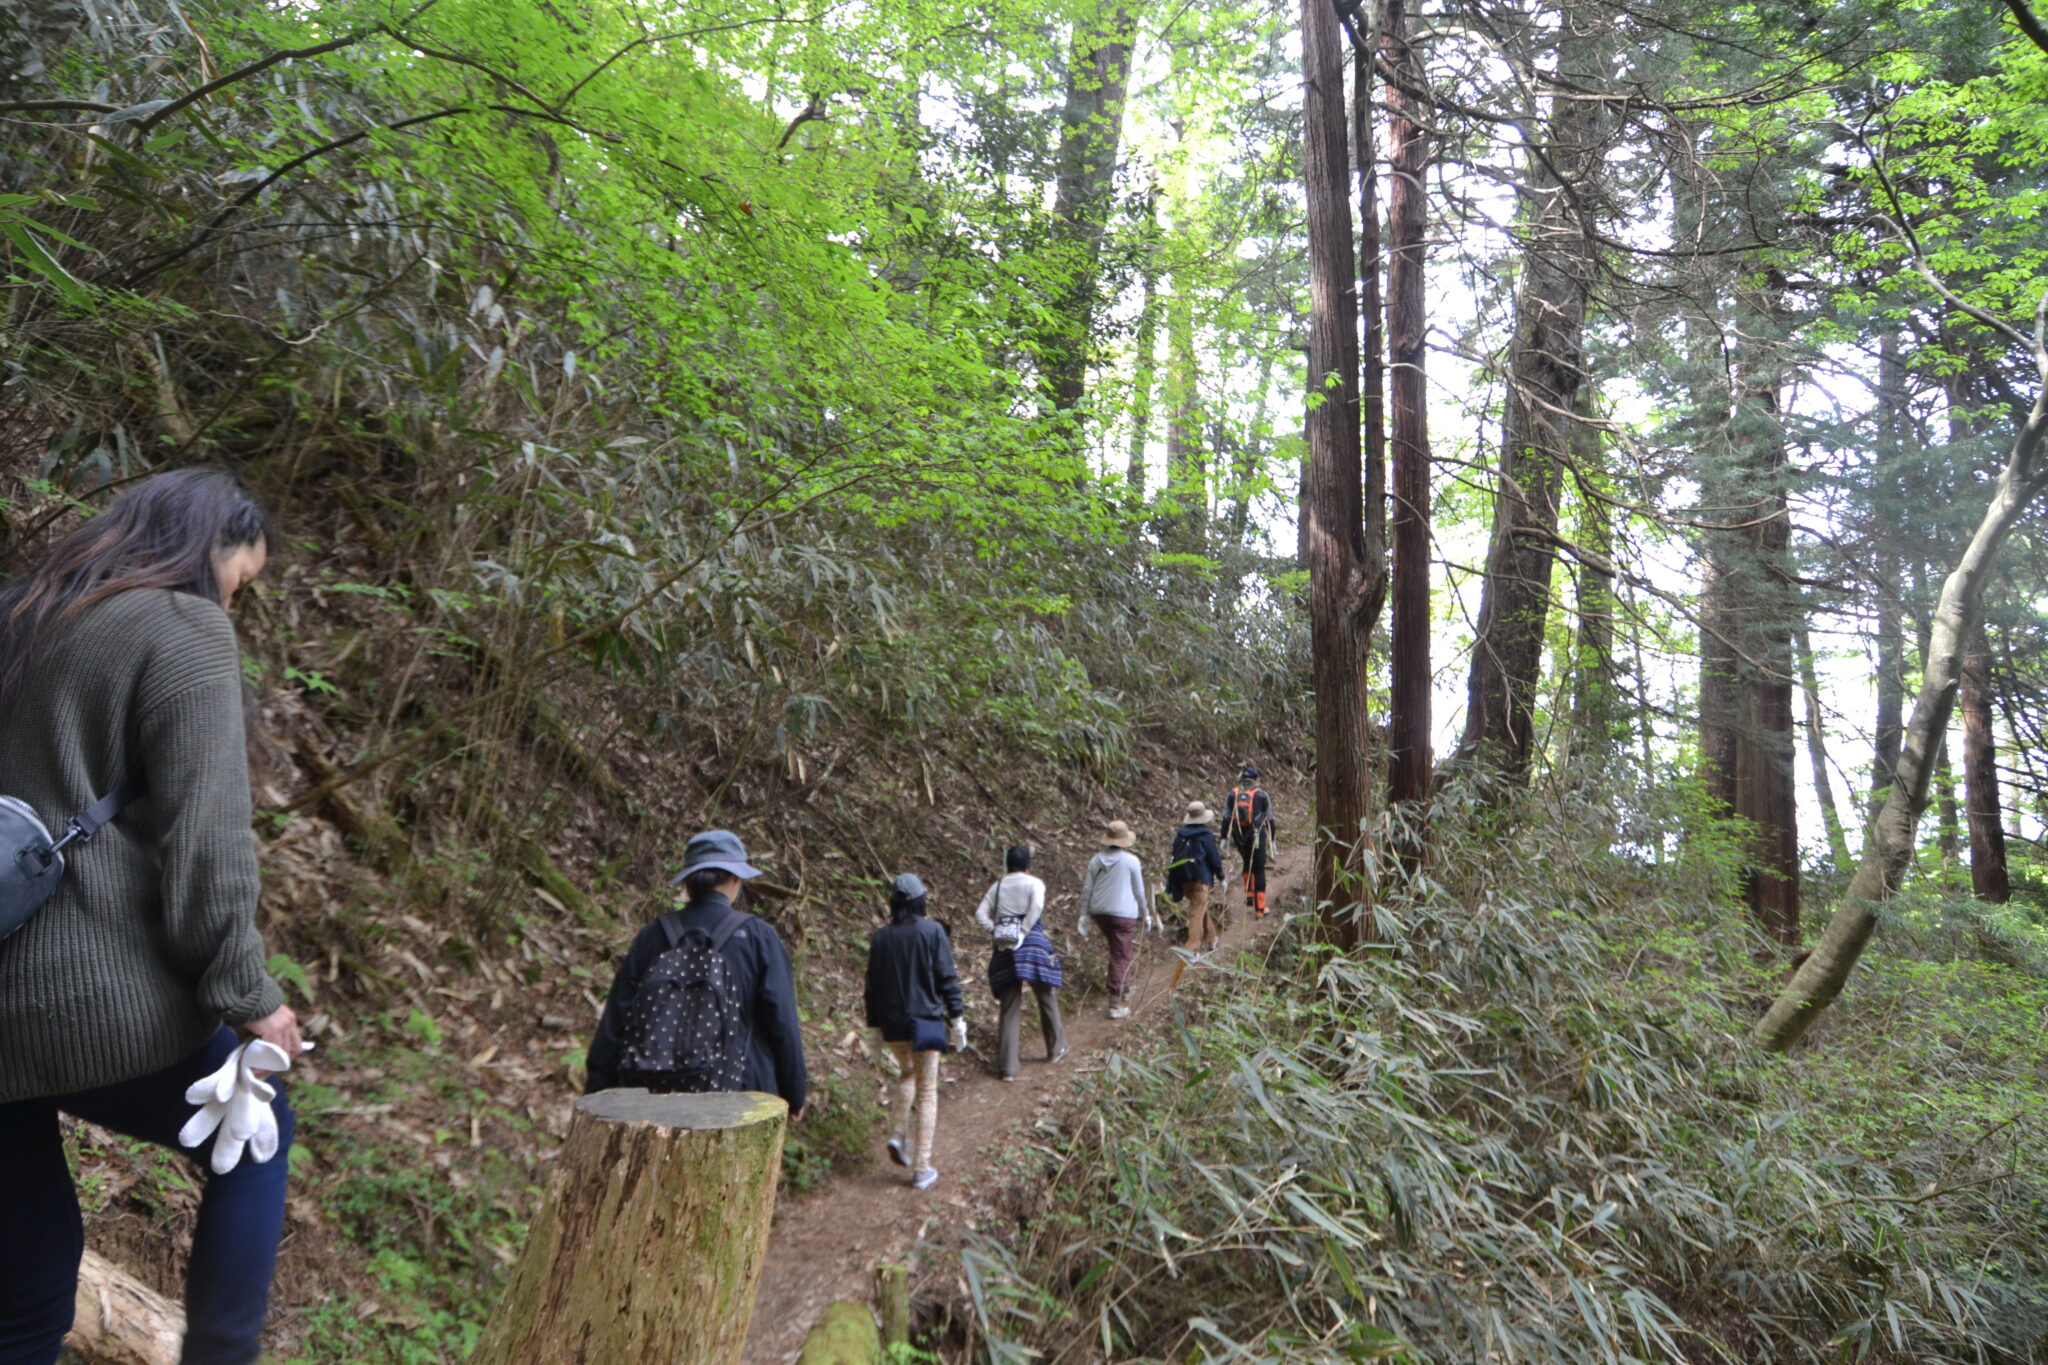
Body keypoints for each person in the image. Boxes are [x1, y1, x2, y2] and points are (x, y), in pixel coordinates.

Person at [0, 469, 300, 1365]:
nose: (232, 605)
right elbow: (209, 842)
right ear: (208, 551)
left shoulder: (22, 610)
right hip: (83, 1004)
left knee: (28, 1288)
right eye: (238, 583)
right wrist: (249, 997)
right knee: (256, 1128)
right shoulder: (182, 625)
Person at [585, 830, 808, 1118]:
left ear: (688, 881)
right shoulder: (758, 937)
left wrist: (597, 1093)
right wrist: (794, 1094)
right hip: (738, 1100)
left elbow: (615, 1022)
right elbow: (783, 1024)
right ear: (735, 879)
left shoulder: (652, 936)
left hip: (651, 1099)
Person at [864, 873, 965, 1190]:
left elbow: (872, 987)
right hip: (925, 1024)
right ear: (920, 899)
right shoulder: (933, 931)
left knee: (908, 1073)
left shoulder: (881, 937)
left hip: (892, 1025)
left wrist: (873, 1027)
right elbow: (947, 977)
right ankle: (921, 1168)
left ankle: (898, 1132)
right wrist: (957, 1017)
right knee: (928, 1091)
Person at [975, 845, 1067, 1081]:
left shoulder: (997, 887)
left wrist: (996, 930)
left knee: (1010, 1004)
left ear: (1008, 865)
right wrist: (1024, 930)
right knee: (1045, 994)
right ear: (1028, 866)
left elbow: (980, 914)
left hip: (1005, 941)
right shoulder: (1034, 883)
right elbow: (1036, 906)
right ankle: (1056, 1049)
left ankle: (1008, 1067)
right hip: (1032, 941)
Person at [1076, 819, 1153, 1020]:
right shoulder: (1131, 861)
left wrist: (1084, 914)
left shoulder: (1096, 860)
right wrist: (1145, 912)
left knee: (1119, 950)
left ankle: (1125, 987)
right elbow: (1139, 890)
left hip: (1100, 912)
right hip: (1123, 914)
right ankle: (1115, 1003)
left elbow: (1088, 889)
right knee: (1120, 954)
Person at [1165, 801, 1226, 953]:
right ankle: (1192, 947)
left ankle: (1211, 938)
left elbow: (1174, 856)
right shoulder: (1205, 836)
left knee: (1199, 906)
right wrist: (1221, 875)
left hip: (1183, 879)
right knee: (1196, 911)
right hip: (1200, 879)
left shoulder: (1180, 836)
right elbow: (1214, 858)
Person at [1222, 765, 1278, 919]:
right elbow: (1270, 819)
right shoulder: (1261, 795)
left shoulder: (1233, 794)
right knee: (1258, 869)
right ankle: (1260, 909)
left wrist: (1224, 838)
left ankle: (1249, 895)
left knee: (1247, 861)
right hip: (1256, 836)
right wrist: (1273, 839)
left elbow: (1226, 817)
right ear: (1255, 779)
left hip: (1238, 836)